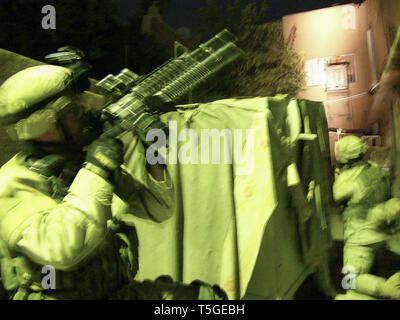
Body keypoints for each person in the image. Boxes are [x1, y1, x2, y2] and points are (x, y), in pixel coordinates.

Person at [0, 63, 226, 300]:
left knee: (206, 299)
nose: (87, 110)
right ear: (42, 127)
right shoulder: (12, 184)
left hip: (114, 293)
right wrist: (97, 168)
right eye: (74, 110)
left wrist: (151, 150)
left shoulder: (80, 167)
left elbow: (159, 208)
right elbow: (62, 248)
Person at [332, 135, 399, 299]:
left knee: (350, 280)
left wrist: (338, 176)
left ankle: (392, 291)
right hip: (383, 235)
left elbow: (335, 198)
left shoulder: (349, 177)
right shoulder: (377, 170)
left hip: (360, 238)